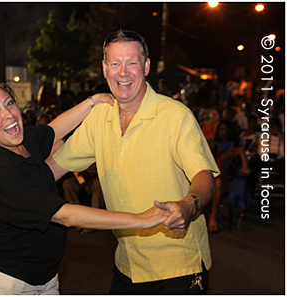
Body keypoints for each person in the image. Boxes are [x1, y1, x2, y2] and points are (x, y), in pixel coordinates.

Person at [48, 29, 219, 294]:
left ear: (146, 66)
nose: (123, 72)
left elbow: (204, 177)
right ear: (105, 69)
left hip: (178, 266)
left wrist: (189, 204)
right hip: (127, 264)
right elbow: (54, 168)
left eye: (132, 63)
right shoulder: (99, 117)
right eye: (115, 63)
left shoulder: (175, 115)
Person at [0, 82, 170, 295]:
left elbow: (54, 130)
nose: (8, 114)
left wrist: (92, 101)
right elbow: (66, 215)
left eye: (9, 103)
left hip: (40, 274)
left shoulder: (20, 141)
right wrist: (140, 220)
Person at [207, 120, 251, 233]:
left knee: (217, 182)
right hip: (205, 183)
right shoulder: (202, 157)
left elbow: (240, 150)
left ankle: (212, 218)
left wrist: (245, 166)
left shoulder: (222, 156)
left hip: (220, 183)